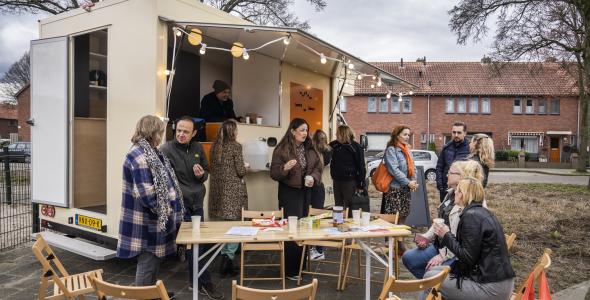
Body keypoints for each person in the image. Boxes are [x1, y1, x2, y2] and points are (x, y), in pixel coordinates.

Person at [117, 115, 184, 292]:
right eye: (160, 132)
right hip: (145, 222)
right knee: (147, 263)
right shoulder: (138, 156)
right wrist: (167, 210)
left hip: (153, 220)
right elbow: (147, 196)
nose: (162, 136)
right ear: (153, 132)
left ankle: (151, 293)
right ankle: (143, 295)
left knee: (154, 261)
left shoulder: (152, 152)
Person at [159, 116, 223, 299]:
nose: (181, 134)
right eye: (179, 130)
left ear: (194, 133)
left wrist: (202, 175)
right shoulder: (166, 150)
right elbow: (164, 180)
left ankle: (196, 282)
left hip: (197, 206)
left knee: (197, 246)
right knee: (195, 246)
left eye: (186, 131)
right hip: (180, 207)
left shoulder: (197, 147)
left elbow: (205, 171)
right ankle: (204, 283)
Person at [425, 178, 515, 300]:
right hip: (497, 280)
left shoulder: (471, 217)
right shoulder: (480, 212)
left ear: (465, 195)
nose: (455, 192)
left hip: (490, 287)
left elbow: (467, 258)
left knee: (429, 278)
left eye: (458, 190)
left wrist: (446, 235)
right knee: (434, 270)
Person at [402, 160, 484, 279]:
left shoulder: (469, 200)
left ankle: (435, 288)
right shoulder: (450, 194)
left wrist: (443, 256)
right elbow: (440, 221)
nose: (446, 174)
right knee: (408, 258)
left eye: (450, 172)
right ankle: (434, 288)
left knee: (431, 272)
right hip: (440, 245)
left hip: (454, 252)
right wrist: (426, 238)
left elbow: (461, 241)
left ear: (461, 176)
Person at [270, 118, 322, 280]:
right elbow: (274, 173)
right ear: (293, 131)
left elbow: (318, 168)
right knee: (291, 230)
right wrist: (284, 168)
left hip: (306, 192)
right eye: (302, 130)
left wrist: (313, 177)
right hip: (289, 193)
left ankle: (301, 266)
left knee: (303, 228)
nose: (305, 133)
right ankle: (290, 269)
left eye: (306, 130)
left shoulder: (310, 149)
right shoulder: (281, 149)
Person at [208, 120, 248, 277]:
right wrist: (246, 166)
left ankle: (225, 261)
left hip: (218, 193)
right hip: (233, 194)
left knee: (224, 228)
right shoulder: (235, 146)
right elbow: (240, 171)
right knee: (236, 227)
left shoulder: (214, 146)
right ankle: (227, 260)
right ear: (233, 132)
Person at [380, 125, 418, 254]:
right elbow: (394, 170)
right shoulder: (391, 150)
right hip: (395, 189)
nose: (407, 137)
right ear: (397, 135)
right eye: (404, 134)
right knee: (393, 218)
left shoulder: (407, 149)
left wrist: (414, 181)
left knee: (403, 216)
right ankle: (391, 244)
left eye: (408, 134)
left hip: (406, 189)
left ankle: (399, 242)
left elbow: (413, 167)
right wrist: (408, 182)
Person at [329, 125, 366, 211]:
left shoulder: (356, 147)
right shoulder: (335, 144)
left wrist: (361, 185)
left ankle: (349, 222)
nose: (335, 134)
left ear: (343, 134)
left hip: (350, 182)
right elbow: (324, 149)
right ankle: (338, 222)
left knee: (349, 206)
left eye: (338, 133)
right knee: (338, 205)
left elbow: (361, 166)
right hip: (336, 180)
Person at [308, 129, 332, 261]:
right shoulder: (327, 152)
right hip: (319, 187)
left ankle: (312, 248)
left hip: (309, 187)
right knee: (317, 218)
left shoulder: (310, 151)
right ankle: (318, 249)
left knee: (309, 217)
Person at [436, 121, 470, 202]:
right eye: (454, 132)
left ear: (465, 133)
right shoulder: (446, 147)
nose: (456, 135)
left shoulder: (470, 148)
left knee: (459, 213)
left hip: (462, 189)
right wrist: (440, 186)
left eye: (459, 132)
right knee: (444, 211)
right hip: (445, 188)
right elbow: (439, 167)